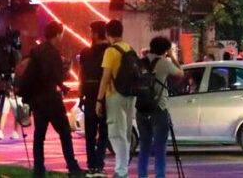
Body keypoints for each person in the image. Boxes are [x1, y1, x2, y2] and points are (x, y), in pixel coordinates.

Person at [26, 22, 82, 177]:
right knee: (65, 132)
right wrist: (65, 70)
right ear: (57, 34)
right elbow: (56, 75)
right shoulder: (53, 53)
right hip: (51, 99)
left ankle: (38, 168)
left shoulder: (37, 51)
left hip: (37, 99)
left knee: (39, 135)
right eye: (61, 34)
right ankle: (72, 166)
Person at [136, 36, 183, 178]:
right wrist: (172, 56)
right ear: (165, 50)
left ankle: (142, 175)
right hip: (159, 109)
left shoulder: (140, 62)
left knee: (144, 147)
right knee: (160, 149)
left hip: (141, 109)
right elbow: (181, 73)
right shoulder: (164, 63)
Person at [96, 20, 135, 178]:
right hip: (130, 95)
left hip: (115, 94)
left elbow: (106, 77)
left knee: (115, 133)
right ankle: (123, 169)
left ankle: (121, 171)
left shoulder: (110, 51)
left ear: (107, 34)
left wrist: (99, 100)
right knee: (125, 133)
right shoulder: (129, 48)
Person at [77, 21, 110, 178]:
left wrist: (80, 94)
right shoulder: (109, 50)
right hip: (105, 96)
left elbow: (81, 75)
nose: (90, 35)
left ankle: (92, 165)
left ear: (96, 33)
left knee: (90, 133)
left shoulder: (85, 52)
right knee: (103, 132)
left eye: (91, 32)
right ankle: (99, 164)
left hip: (89, 96)